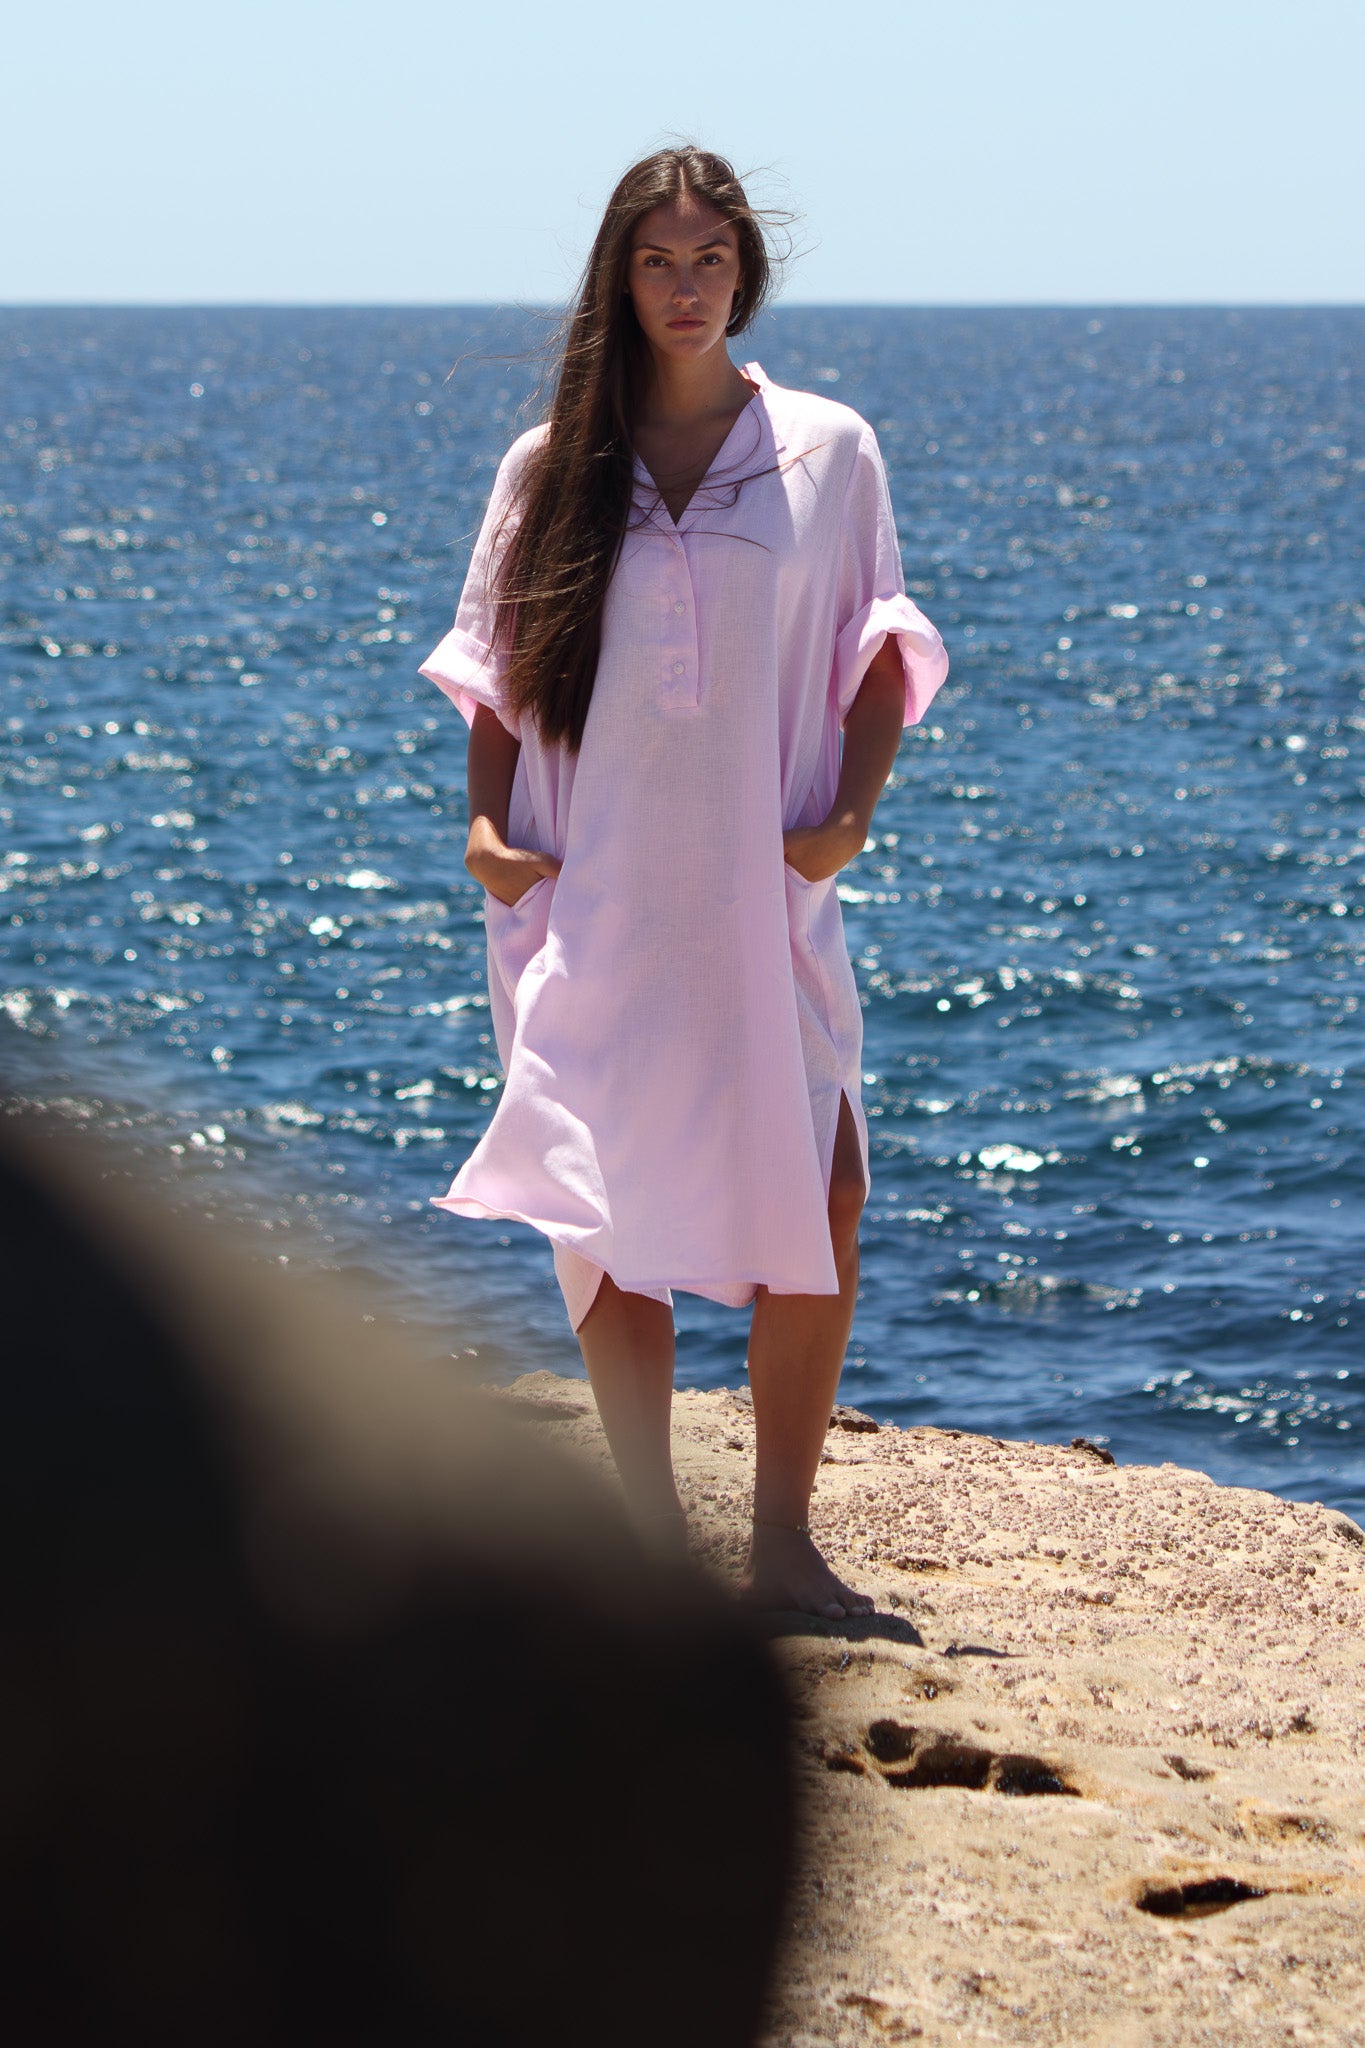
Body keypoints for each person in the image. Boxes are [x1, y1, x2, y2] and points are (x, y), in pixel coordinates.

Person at [421, 146, 948, 1622]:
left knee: (826, 1185)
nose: (686, 287)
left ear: (745, 271)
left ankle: (782, 1544)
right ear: (619, 277)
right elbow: (492, 672)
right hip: (583, 875)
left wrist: (847, 816)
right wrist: (483, 835)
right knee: (603, 1205)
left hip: (758, 883)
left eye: (709, 257)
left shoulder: (826, 449)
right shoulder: (549, 466)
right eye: (657, 260)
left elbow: (874, 650)